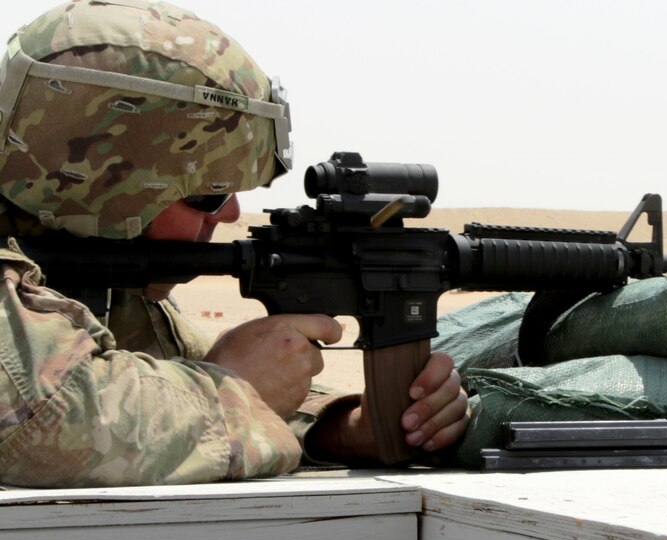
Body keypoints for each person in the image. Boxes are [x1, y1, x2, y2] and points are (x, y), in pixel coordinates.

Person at [0, 0, 468, 487]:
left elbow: (170, 382)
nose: (230, 214)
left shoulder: (105, 287)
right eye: (209, 193)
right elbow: (52, 427)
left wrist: (345, 428)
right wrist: (233, 389)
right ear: (103, 187)